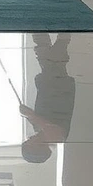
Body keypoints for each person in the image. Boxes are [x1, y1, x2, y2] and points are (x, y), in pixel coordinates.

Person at [19, 33, 75, 163]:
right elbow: (50, 127)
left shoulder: (38, 130)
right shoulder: (56, 139)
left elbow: (34, 116)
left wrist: (26, 113)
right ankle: (60, 27)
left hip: (49, 85)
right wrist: (30, 115)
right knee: (53, 55)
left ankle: (42, 28)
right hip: (59, 87)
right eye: (29, 143)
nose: (29, 139)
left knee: (45, 54)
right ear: (37, 148)